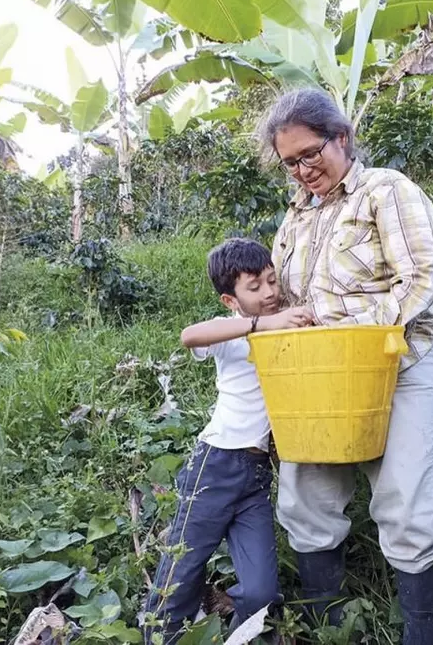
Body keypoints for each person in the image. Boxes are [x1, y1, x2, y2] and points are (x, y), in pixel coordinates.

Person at [259, 88, 433, 644]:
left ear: (341, 138)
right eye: (289, 161)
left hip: (398, 366)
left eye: (311, 153)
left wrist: (342, 327)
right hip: (317, 376)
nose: (302, 169)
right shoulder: (295, 215)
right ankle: (331, 627)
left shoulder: (385, 191)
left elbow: (421, 278)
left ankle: (427, 634)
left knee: (408, 505)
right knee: (305, 500)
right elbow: (280, 298)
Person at [143, 238, 312, 644]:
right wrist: (259, 324)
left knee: (261, 592)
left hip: (254, 478)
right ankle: (157, 636)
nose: (269, 293)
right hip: (215, 467)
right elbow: (189, 335)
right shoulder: (230, 333)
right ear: (229, 299)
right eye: (254, 288)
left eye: (272, 281)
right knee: (180, 573)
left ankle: (229, 630)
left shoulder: (288, 321)